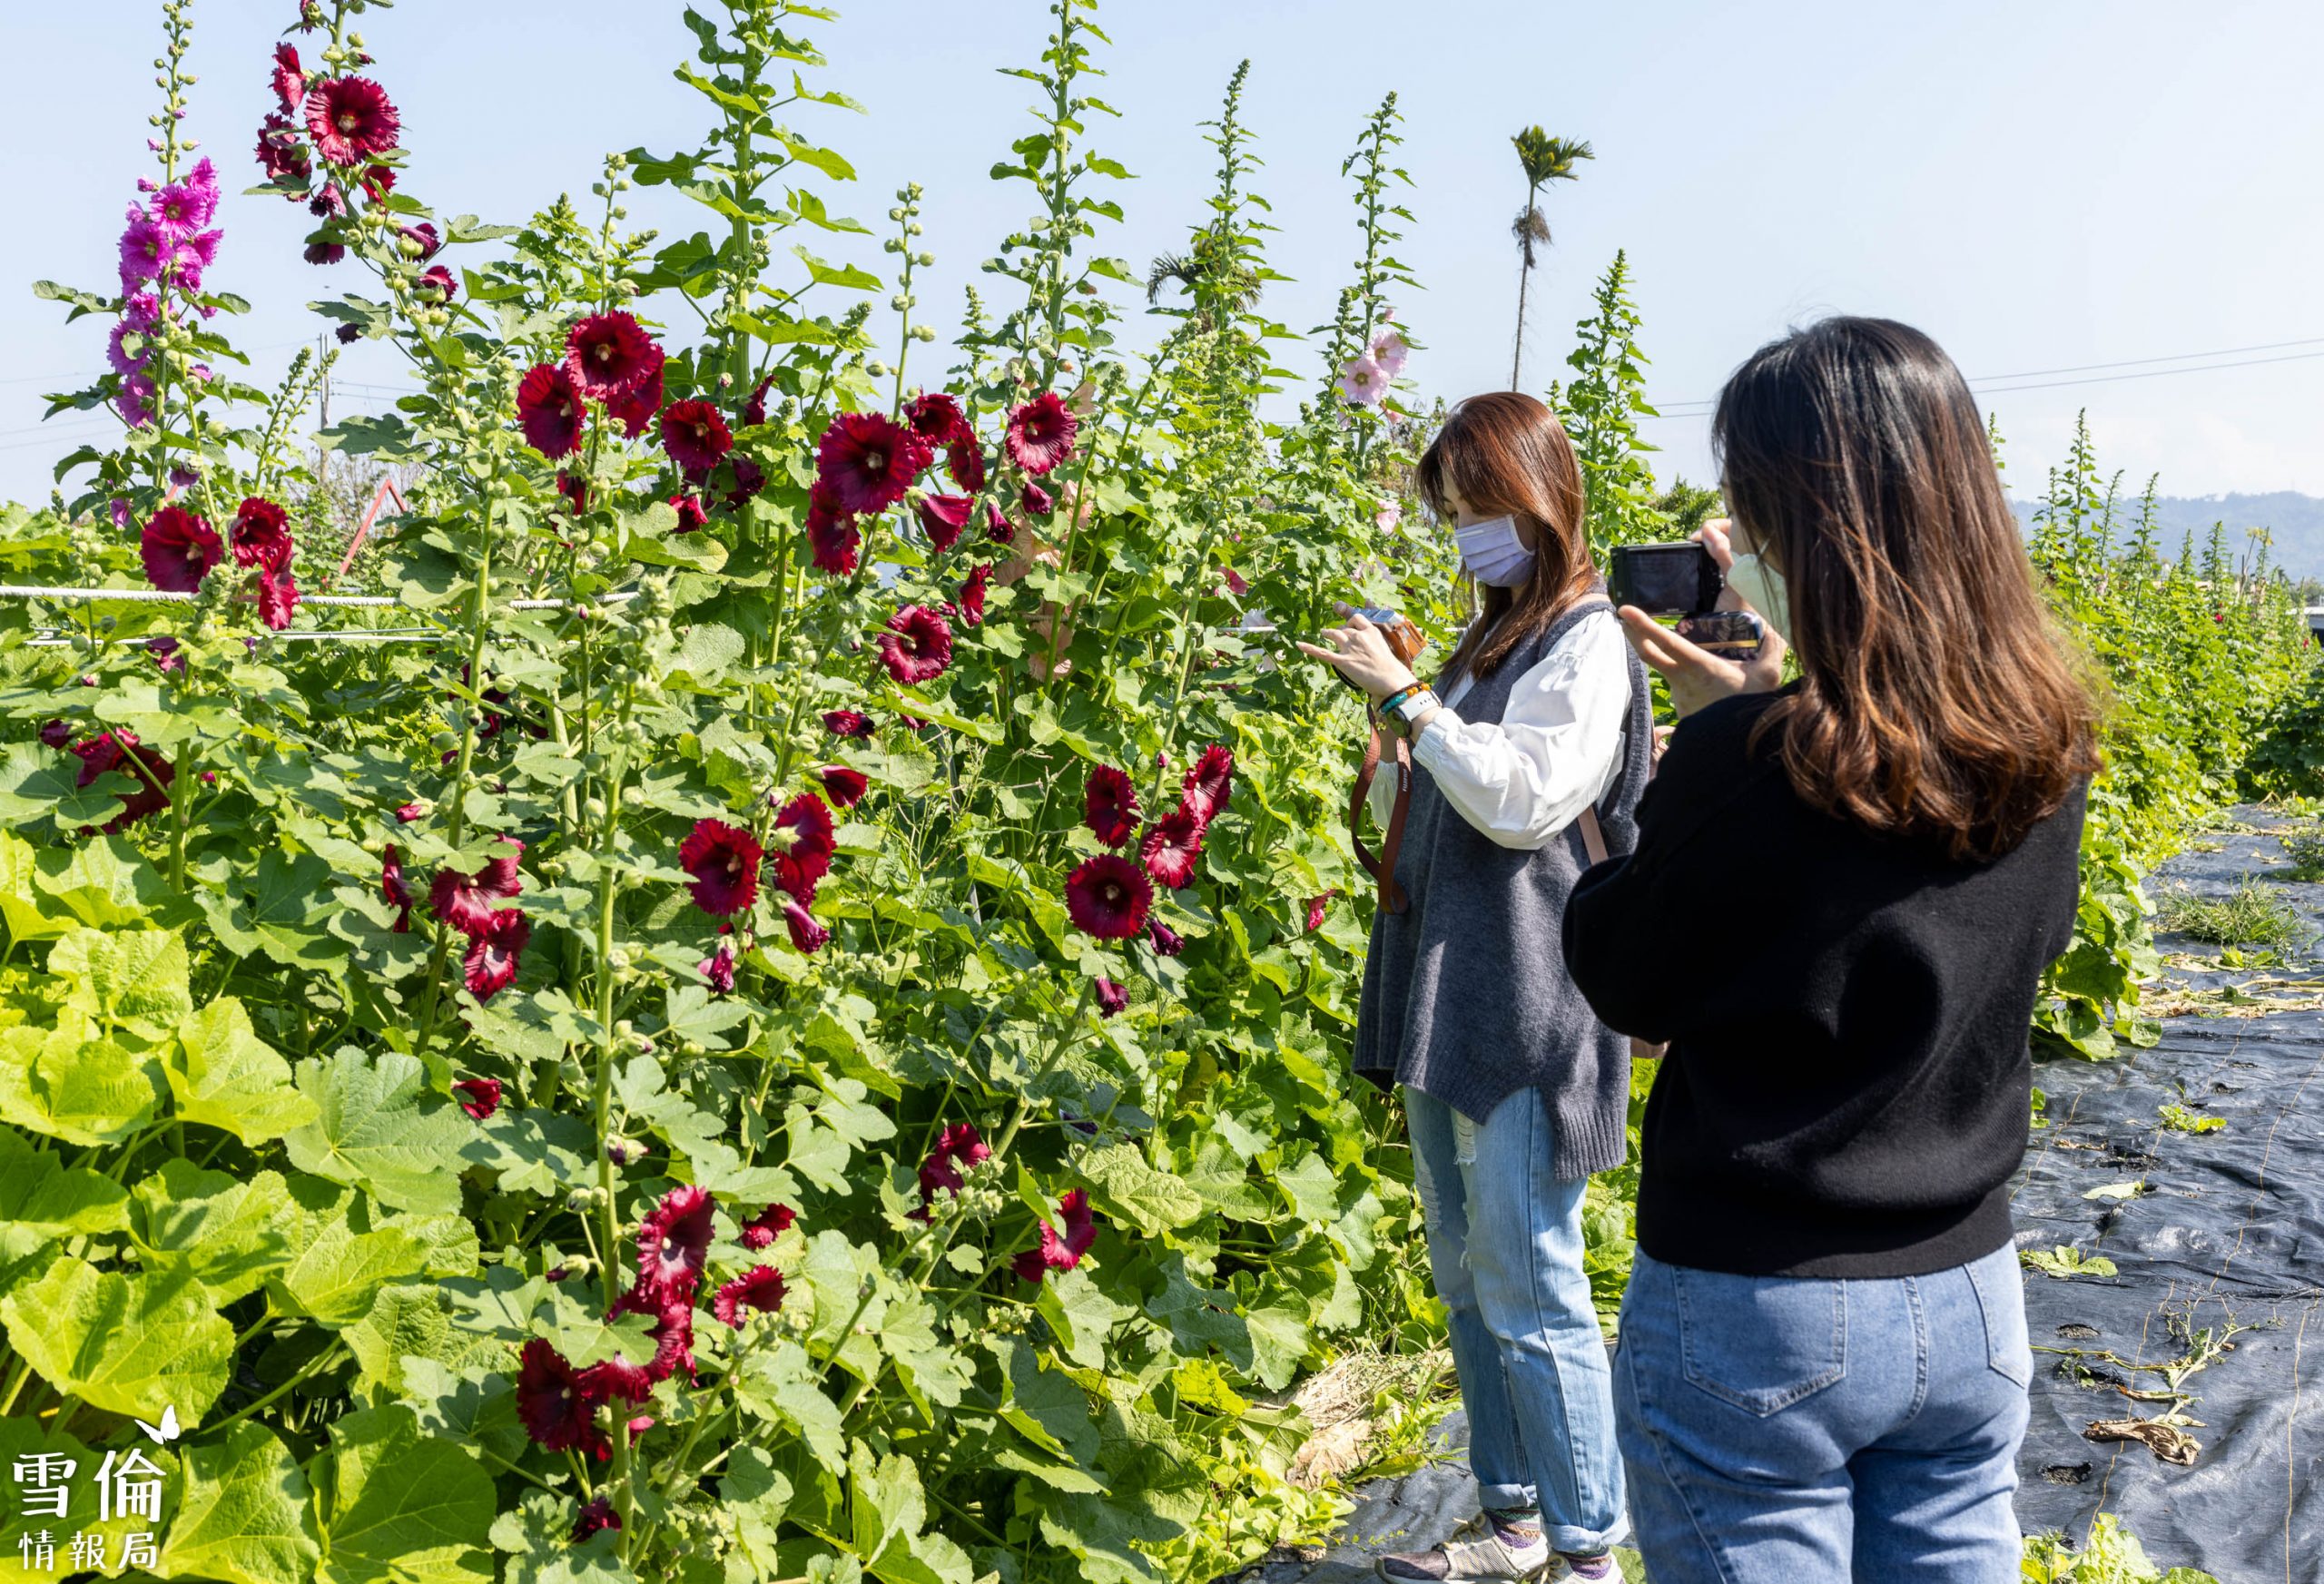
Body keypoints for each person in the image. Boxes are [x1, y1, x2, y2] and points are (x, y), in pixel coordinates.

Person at [1565, 317, 2100, 1582]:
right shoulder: (2042, 745)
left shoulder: (1749, 761)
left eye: (1752, 514)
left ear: (1812, 530)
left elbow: (1627, 976)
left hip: (1760, 1302)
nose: (1739, 546)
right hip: (1968, 1285)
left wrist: (1679, 772)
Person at [1299, 390, 1652, 1582]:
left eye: (1479, 509)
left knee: (1534, 1276)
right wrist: (1401, 713)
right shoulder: (1490, 636)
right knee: (1466, 1270)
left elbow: (1525, 796)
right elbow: (1443, 802)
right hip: (1448, 990)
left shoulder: (1589, 640)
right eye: (1453, 514)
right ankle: (1510, 1519)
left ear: (1539, 502)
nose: (1465, 535)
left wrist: (1412, 701)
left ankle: (1589, 1548)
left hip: (1530, 999)